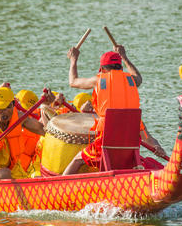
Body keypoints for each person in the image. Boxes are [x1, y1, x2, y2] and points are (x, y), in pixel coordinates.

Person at [63, 44, 166, 175]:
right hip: (129, 151)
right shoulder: (132, 81)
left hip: (105, 145)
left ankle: (56, 188)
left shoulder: (98, 80)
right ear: (120, 67)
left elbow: (73, 82)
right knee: (146, 134)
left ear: (102, 69)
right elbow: (139, 78)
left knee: (77, 160)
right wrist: (125, 57)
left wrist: (73, 60)